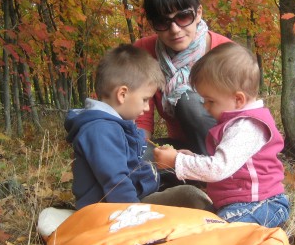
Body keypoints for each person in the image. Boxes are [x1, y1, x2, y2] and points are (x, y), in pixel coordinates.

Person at [153, 43, 290, 228]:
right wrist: (193, 158)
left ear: (238, 99)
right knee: (201, 224)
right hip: (240, 205)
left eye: (210, 101)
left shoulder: (247, 126)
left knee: (216, 231)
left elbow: (218, 168)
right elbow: (225, 162)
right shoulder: (236, 123)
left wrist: (177, 161)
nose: (205, 106)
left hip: (262, 205)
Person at [64, 44, 213, 211]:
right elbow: (116, 182)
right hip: (112, 211)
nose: (147, 108)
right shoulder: (100, 130)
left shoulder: (113, 125)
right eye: (144, 99)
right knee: (192, 198)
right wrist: (135, 217)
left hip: (130, 199)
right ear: (122, 94)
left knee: (188, 191)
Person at [134, 0, 232, 157]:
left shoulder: (225, 53)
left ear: (198, 13)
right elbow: (141, 119)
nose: (175, 29)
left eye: (183, 17)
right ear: (153, 24)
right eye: (163, 21)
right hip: (182, 149)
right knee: (132, 158)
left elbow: (243, 118)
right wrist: (138, 156)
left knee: (187, 99)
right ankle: (189, 173)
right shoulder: (144, 51)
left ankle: (212, 176)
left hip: (225, 152)